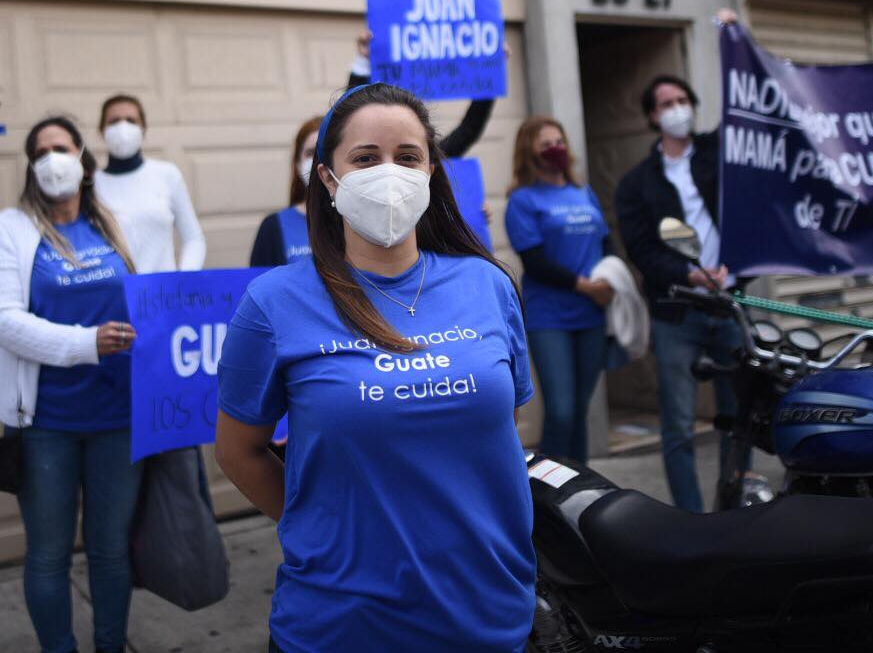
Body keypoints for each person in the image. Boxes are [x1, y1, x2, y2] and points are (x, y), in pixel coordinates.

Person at [215, 84, 535, 653]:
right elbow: (238, 451)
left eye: (407, 157)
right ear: (328, 178)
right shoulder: (272, 302)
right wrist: (320, 528)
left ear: (432, 170)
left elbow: (499, 428)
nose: (389, 173)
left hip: (485, 613)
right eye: (365, 158)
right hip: (342, 621)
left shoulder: (489, 285)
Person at [0, 116, 141, 653]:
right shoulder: (9, 229)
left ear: (84, 160)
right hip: (46, 422)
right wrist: (85, 343)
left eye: (62, 147)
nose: (51, 158)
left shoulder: (114, 224)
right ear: (30, 167)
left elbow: (153, 301)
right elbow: (1, 320)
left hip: (120, 416)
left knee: (111, 549)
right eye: (40, 151)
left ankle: (111, 645)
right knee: (48, 553)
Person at [613, 61, 743, 514]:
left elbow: (749, 108)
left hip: (731, 305)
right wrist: (686, 275)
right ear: (652, 116)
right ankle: (690, 518)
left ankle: (732, 505)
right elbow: (642, 249)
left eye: (683, 101)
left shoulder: (720, 155)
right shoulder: (636, 184)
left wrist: (734, 44)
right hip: (676, 313)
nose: (677, 110)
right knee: (680, 424)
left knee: (738, 418)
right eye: (667, 104)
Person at [504, 115, 613, 462]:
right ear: (529, 153)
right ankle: (552, 496)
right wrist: (585, 286)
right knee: (562, 411)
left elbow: (606, 243)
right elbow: (535, 261)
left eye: (560, 141)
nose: (557, 149)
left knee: (580, 409)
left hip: (592, 313)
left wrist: (609, 281)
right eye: (547, 145)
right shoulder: (522, 201)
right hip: (550, 317)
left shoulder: (583, 192)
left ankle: (581, 488)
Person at [93, 93, 206, 272]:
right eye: (114, 121)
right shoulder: (90, 185)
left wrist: (185, 277)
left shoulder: (166, 174)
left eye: (131, 120)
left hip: (160, 293)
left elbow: (193, 238)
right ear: (102, 130)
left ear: (143, 129)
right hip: (112, 293)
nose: (123, 127)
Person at [347, 32, 494, 157]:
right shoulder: (363, 155)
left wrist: (489, 72)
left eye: (409, 158)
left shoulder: (431, 158)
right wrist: (363, 61)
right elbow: (352, 119)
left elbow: (469, 129)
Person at [249, 115, 322, 267]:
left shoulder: (355, 222)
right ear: (297, 163)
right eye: (310, 153)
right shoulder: (273, 226)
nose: (316, 162)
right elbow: (259, 286)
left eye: (323, 153)